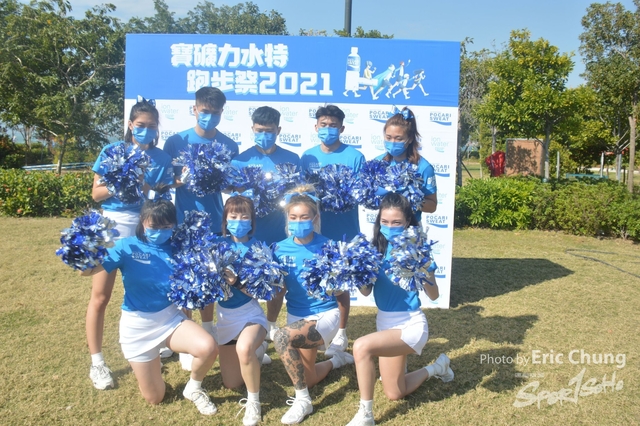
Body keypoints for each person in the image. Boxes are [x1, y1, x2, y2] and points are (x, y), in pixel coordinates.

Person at [81, 198, 219, 415]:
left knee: (208, 347)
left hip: (170, 320)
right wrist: (84, 251)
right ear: (142, 221)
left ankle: (193, 388)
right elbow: (87, 271)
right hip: (137, 327)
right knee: (155, 397)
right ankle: (151, 369)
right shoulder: (126, 246)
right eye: (154, 226)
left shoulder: (180, 248)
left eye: (166, 226)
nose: (160, 232)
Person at [87, 97, 174, 390]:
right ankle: (97, 362)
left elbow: (158, 196)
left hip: (145, 227)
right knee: (101, 296)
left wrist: (147, 187)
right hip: (113, 227)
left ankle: (155, 343)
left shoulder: (162, 158)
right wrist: (123, 179)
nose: (146, 130)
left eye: (151, 126)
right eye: (140, 125)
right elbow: (96, 194)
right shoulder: (112, 151)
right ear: (130, 124)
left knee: (149, 289)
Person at [346, 193, 453, 426]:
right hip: (384, 323)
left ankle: (365, 414)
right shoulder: (374, 249)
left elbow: (434, 295)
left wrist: (422, 269)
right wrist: (356, 273)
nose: (389, 227)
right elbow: (365, 291)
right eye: (384, 222)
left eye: (396, 222)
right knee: (395, 392)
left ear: (407, 222)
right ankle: (437, 367)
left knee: (361, 347)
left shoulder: (418, 249)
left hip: (411, 324)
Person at [163, 87, 239, 368]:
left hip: (215, 222)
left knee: (210, 277)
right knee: (185, 279)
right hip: (183, 222)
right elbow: (166, 182)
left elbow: (230, 185)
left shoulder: (229, 145)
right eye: (204, 111)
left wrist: (221, 178)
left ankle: (208, 329)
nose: (209, 117)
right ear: (194, 109)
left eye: (215, 112)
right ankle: (185, 334)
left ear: (221, 113)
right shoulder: (176, 141)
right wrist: (182, 179)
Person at [273, 186, 355, 425]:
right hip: (296, 317)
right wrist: (270, 321)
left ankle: (302, 401)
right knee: (306, 377)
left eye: (304, 217)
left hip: (324, 314)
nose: (298, 222)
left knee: (282, 338)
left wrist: (342, 331)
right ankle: (336, 361)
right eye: (293, 217)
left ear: (315, 218)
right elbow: (279, 291)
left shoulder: (329, 247)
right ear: (287, 218)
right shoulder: (278, 249)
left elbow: (342, 293)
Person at [299, 105, 365, 357]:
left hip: (344, 231)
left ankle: (341, 332)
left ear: (342, 128)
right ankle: (318, 327)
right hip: (315, 231)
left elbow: (361, 193)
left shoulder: (355, 157)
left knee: (341, 283)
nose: (328, 130)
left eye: (333, 125)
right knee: (316, 279)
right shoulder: (307, 157)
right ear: (316, 127)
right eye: (323, 125)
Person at [217, 194, 270, 426]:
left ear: (252, 220)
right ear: (225, 219)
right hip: (224, 318)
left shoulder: (259, 248)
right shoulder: (216, 245)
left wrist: (236, 282)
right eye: (233, 216)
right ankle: (257, 352)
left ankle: (253, 402)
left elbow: (263, 293)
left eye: (244, 216)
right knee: (231, 383)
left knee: (244, 348)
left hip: (250, 314)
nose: (238, 221)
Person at [377, 106, 437, 223]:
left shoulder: (423, 167)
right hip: (384, 227)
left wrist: (410, 199)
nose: (392, 142)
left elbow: (432, 206)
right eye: (388, 137)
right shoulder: (378, 163)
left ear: (409, 138)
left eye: (398, 138)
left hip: (411, 228)